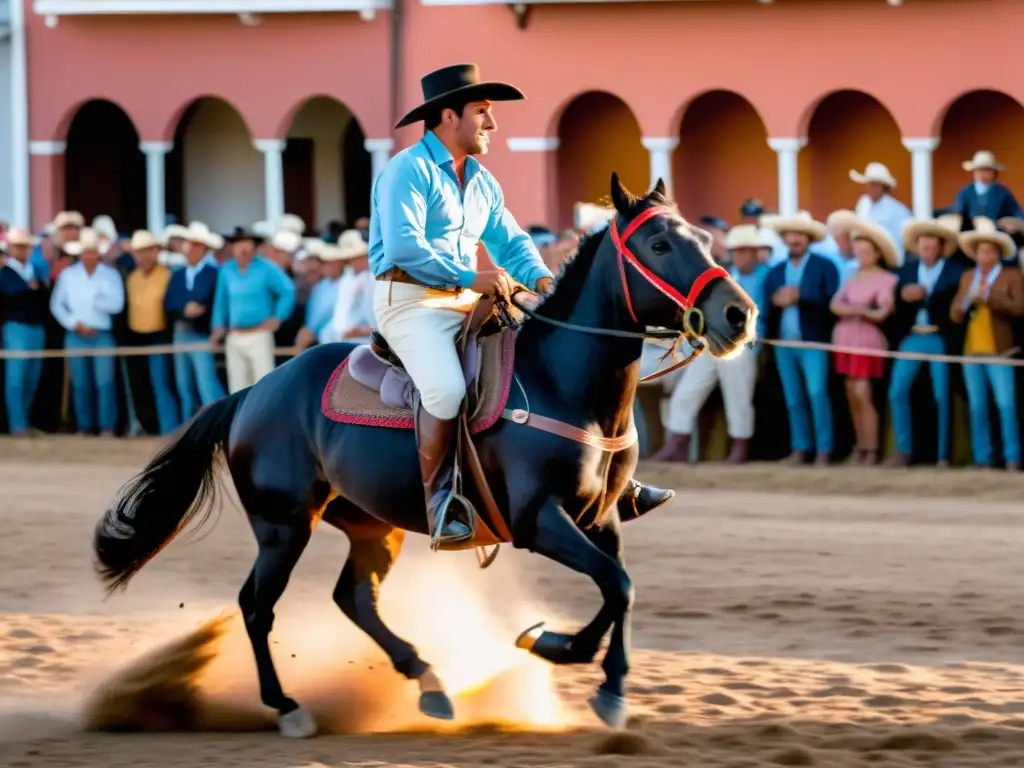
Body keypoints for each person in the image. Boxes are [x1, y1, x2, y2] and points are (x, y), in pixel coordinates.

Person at [370, 63, 671, 545]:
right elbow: (405, 249)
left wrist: (543, 280)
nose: (491, 123)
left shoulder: (482, 181)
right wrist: (475, 277)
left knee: (550, 356)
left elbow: (510, 242)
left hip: (470, 298)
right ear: (449, 116)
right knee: (447, 390)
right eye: (482, 112)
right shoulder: (407, 169)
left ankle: (612, 478)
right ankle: (442, 501)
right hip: (410, 302)